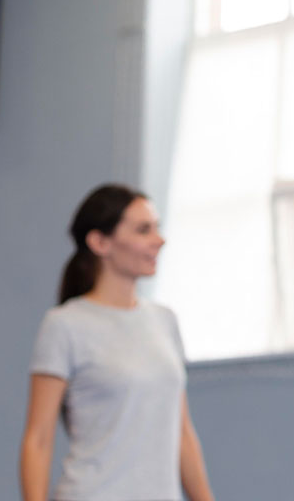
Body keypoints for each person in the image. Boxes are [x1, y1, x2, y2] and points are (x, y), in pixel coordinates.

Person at [19, 184, 213, 501]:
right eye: (143, 230)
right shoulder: (65, 325)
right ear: (99, 242)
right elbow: (38, 440)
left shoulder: (164, 321)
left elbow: (182, 432)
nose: (159, 240)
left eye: (157, 228)